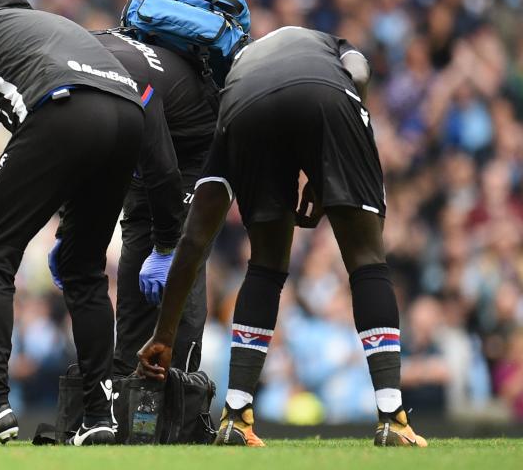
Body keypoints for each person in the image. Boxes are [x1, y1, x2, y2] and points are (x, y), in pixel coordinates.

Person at [137, 26, 428, 448]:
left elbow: (194, 239)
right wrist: (327, 166)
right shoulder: (325, 42)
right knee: (366, 260)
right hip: (329, 97)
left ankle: (236, 417)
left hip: (247, 112)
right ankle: (392, 419)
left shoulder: (234, 88)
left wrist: (163, 334)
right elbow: (359, 71)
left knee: (266, 264)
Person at [0, 0, 144, 445]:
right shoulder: (49, 24)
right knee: (82, 268)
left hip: (63, 105)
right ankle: (98, 417)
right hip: (130, 115)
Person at [48, 27, 219, 377]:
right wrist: (68, 233)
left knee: (182, 260)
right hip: (152, 145)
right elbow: (76, 160)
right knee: (133, 266)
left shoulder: (127, 81)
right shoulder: (66, 71)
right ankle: (127, 387)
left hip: (198, 147)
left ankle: (181, 388)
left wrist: (167, 248)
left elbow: (165, 171)